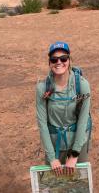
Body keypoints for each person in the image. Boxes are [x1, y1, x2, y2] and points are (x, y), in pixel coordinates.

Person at [36, 42, 91, 176]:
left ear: (69, 60)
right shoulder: (42, 88)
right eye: (54, 59)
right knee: (54, 182)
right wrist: (52, 158)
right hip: (55, 143)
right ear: (49, 63)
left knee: (79, 180)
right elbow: (42, 124)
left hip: (78, 140)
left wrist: (74, 154)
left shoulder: (82, 85)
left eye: (63, 58)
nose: (59, 62)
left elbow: (83, 120)